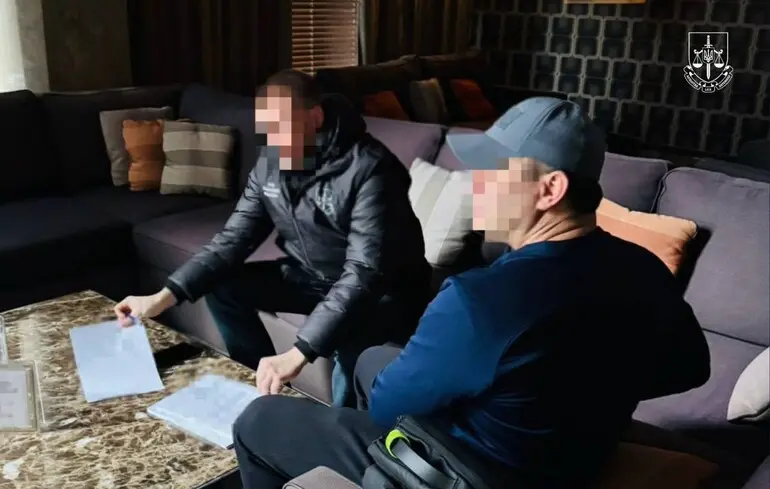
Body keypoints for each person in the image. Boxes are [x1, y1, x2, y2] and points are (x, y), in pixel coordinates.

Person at [230, 97, 711, 489]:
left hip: (471, 472)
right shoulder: (644, 268)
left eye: (491, 171)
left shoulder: (481, 299)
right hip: (572, 457)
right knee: (371, 359)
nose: (472, 185)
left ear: (549, 190)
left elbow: (385, 406)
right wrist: (580, 392)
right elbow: (690, 367)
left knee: (259, 420)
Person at [113, 70, 432, 407]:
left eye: (282, 127)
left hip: (384, 292)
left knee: (350, 339)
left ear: (315, 118)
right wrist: (162, 297)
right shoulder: (271, 165)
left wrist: (299, 352)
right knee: (224, 285)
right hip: (315, 277)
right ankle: (259, 390)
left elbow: (365, 273)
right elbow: (232, 240)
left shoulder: (371, 168)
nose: (273, 141)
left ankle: (342, 427)